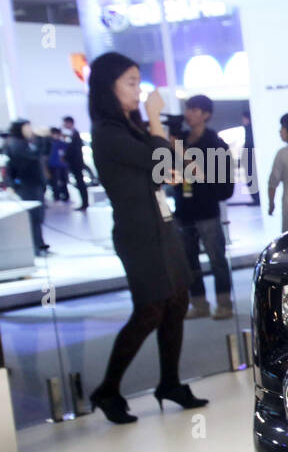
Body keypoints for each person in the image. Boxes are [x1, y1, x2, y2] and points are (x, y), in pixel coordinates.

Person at [85, 51, 208, 424]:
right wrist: (155, 119)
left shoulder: (129, 128)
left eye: (139, 82)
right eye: (132, 82)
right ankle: (107, 389)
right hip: (138, 233)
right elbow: (159, 162)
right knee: (150, 309)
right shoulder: (107, 132)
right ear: (109, 87)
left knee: (177, 301)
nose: (140, 91)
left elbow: (163, 168)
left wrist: (163, 155)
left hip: (161, 226)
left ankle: (169, 383)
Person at [175, 95, 235, 319]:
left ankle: (224, 303)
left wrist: (184, 157)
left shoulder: (215, 144)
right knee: (188, 261)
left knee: (217, 259)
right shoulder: (179, 140)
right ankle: (199, 304)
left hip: (207, 210)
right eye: (188, 109)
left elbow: (222, 186)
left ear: (206, 115)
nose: (189, 113)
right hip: (184, 209)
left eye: (194, 110)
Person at [3, 120, 50, 254]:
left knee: (38, 217)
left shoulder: (24, 142)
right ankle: (36, 248)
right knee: (33, 218)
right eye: (27, 127)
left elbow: (42, 153)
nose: (30, 129)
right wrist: (40, 138)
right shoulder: (15, 144)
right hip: (26, 185)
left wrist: (42, 139)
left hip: (34, 184)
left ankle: (40, 246)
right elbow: (32, 157)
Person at [63, 116, 90, 210]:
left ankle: (85, 203)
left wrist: (65, 156)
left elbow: (73, 150)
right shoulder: (71, 134)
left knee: (80, 182)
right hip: (75, 162)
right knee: (80, 182)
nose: (64, 125)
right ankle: (84, 203)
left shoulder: (74, 134)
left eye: (65, 123)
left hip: (76, 163)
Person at [45, 126, 70, 202]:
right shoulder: (49, 143)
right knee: (54, 182)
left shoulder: (62, 143)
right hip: (52, 165)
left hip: (62, 165)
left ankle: (65, 196)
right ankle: (56, 196)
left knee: (64, 181)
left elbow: (66, 153)